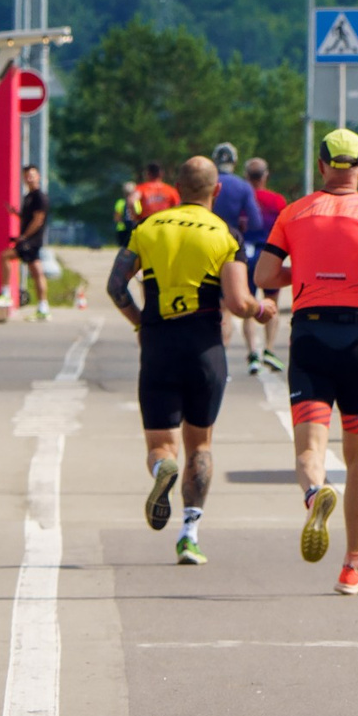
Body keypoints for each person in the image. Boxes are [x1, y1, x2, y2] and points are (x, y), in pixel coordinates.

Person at [253, 129, 358, 594]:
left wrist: (302, 267)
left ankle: (313, 492)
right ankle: (353, 563)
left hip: (310, 334)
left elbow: (265, 274)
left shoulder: (294, 212)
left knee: (310, 448)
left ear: (322, 166)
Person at [106, 156, 257, 566]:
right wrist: (260, 311)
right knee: (201, 444)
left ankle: (161, 471)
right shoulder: (224, 236)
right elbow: (239, 302)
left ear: (177, 186)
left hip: (158, 343)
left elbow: (116, 285)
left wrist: (141, 323)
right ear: (217, 190)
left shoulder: (148, 228)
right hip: (204, 347)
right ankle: (189, 533)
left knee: (161, 444)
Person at [209, 142, 265, 353]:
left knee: (217, 308)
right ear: (235, 162)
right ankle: (250, 353)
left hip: (206, 245)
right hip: (232, 247)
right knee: (232, 303)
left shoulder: (208, 182)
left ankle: (218, 352)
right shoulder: (243, 186)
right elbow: (256, 221)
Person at [241, 155, 288, 375]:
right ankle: (268, 348)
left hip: (245, 256)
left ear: (246, 176)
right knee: (272, 304)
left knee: (249, 307)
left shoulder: (242, 198)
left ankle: (252, 353)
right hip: (269, 256)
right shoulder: (277, 200)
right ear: (265, 176)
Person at [0, 164, 52, 318]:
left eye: (32, 175)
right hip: (30, 240)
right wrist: (16, 214)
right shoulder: (29, 196)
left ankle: (6, 294)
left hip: (31, 241)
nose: (29, 178)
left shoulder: (39, 197)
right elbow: (28, 218)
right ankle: (43, 307)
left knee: (5, 256)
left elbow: (38, 220)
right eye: (27, 176)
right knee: (36, 272)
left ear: (38, 177)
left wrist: (25, 237)